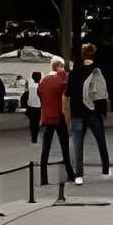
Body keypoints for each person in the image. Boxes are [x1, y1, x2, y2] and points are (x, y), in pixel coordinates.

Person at [69, 46, 113, 180]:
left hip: (77, 112)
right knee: (101, 141)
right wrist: (103, 111)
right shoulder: (98, 71)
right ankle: (105, 169)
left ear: (82, 55)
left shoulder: (75, 71)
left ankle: (79, 175)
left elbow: (69, 93)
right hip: (93, 112)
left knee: (78, 145)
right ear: (94, 55)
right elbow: (102, 92)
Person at [38, 55, 77, 185]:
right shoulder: (58, 79)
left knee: (45, 149)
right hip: (58, 116)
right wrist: (63, 73)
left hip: (46, 117)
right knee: (64, 147)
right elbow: (66, 87)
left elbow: (40, 94)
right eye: (62, 66)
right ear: (58, 66)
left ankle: (44, 178)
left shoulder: (43, 81)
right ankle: (70, 173)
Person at [22, 68, 42, 145]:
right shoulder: (41, 86)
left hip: (31, 108)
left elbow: (24, 98)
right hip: (40, 107)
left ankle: (34, 139)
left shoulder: (30, 88)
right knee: (40, 123)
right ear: (40, 78)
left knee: (33, 124)